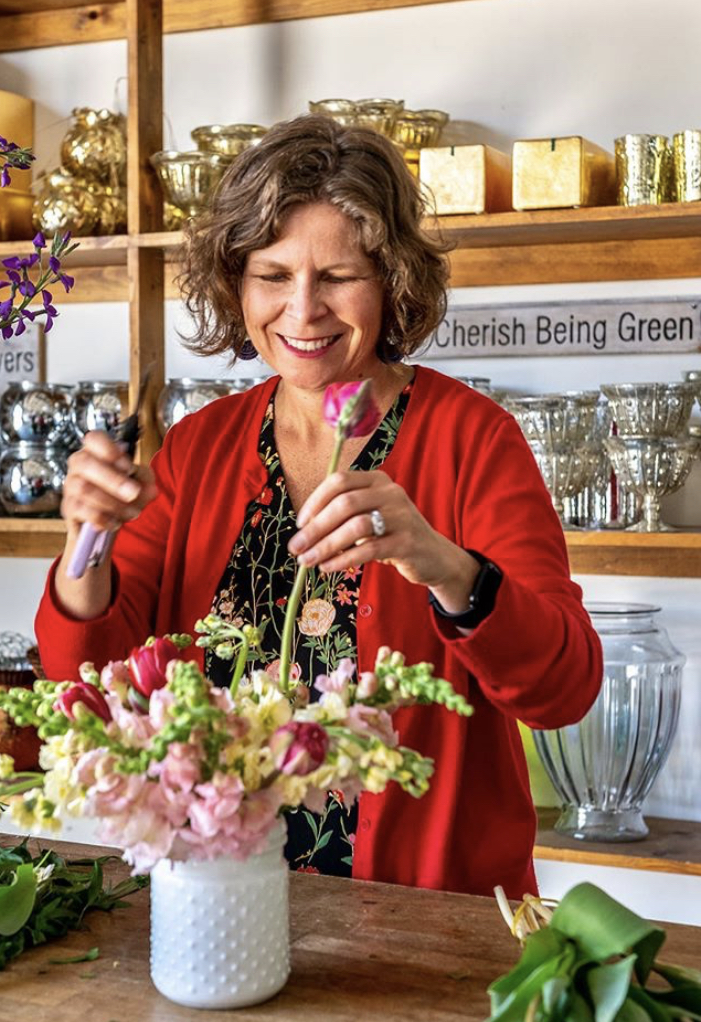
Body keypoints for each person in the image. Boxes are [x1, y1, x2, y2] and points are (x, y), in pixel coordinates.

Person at [36, 114, 603, 898]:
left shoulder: (475, 439)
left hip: (424, 921)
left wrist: (444, 566)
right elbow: (91, 688)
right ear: (236, 286)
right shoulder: (198, 448)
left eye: (338, 277)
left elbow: (563, 690)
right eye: (272, 275)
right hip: (223, 901)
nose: (303, 311)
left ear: (392, 281)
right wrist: (85, 543)